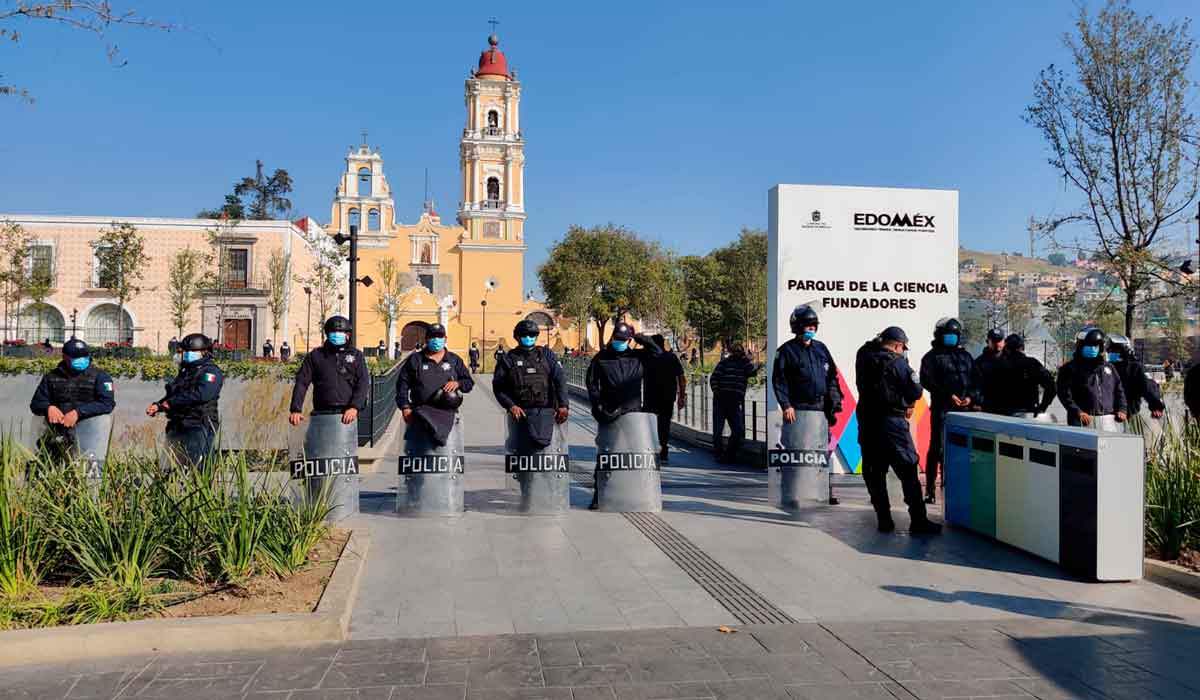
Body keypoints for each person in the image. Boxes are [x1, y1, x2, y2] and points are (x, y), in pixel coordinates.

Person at [855, 327, 940, 535]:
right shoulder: (898, 363)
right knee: (908, 469)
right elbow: (916, 390)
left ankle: (884, 519)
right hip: (892, 423)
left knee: (874, 472)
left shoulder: (863, 356)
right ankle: (918, 521)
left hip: (867, 421)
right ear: (897, 345)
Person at [771, 304, 842, 504]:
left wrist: (834, 401)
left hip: (820, 410)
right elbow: (779, 380)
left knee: (821, 451)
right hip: (798, 410)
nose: (811, 330)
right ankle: (791, 492)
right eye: (807, 326)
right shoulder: (786, 351)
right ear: (797, 327)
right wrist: (786, 405)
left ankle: (823, 491)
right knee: (796, 452)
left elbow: (832, 376)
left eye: (813, 326)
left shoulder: (821, 349)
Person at [585, 322, 661, 508]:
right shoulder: (601, 358)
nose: (620, 342)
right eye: (617, 339)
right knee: (607, 454)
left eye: (623, 339)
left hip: (633, 413)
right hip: (610, 412)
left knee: (637, 454)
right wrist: (598, 406)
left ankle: (639, 493)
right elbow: (592, 383)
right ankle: (599, 495)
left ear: (628, 340)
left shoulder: (638, 356)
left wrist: (639, 337)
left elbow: (658, 352)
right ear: (613, 338)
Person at [918, 317, 981, 504]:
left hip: (965, 410)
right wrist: (947, 395)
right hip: (942, 408)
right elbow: (927, 381)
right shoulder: (931, 357)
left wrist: (971, 397)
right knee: (937, 448)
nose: (951, 338)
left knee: (963, 450)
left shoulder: (965, 357)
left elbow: (977, 380)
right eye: (948, 335)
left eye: (954, 335)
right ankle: (930, 489)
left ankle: (957, 487)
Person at [29, 338, 116, 465]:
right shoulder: (51, 377)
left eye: (84, 356)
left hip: (89, 437)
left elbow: (107, 404)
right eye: (76, 357)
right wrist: (48, 408)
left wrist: (78, 413)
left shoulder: (101, 377)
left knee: (90, 473)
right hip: (57, 435)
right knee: (46, 469)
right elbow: (36, 403)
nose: (81, 360)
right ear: (65, 357)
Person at [147, 333, 223, 468]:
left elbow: (202, 394)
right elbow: (175, 394)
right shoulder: (186, 371)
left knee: (197, 466)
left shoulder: (210, 372)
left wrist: (171, 403)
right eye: (184, 351)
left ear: (203, 352)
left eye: (190, 351)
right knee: (170, 466)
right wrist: (159, 405)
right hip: (179, 423)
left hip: (199, 423)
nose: (186, 354)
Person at [493, 319, 569, 446]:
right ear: (517, 337)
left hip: (546, 414)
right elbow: (498, 387)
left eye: (532, 335)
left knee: (549, 451)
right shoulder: (508, 359)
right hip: (520, 416)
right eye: (524, 335)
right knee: (520, 450)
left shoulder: (546, 355)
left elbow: (560, 380)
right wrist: (511, 406)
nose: (528, 337)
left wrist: (563, 405)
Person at [396, 323, 474, 444]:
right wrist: (405, 407)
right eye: (433, 336)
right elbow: (402, 385)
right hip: (420, 415)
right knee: (419, 452)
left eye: (440, 336)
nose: (436, 339)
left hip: (447, 415)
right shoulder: (415, 359)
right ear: (427, 339)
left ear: (445, 339)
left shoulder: (454, 360)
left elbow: (469, 382)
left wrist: (458, 383)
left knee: (445, 452)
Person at [289, 316, 370, 428]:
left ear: (348, 334)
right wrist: (296, 409)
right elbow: (302, 382)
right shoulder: (316, 355)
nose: (337, 334)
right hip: (322, 413)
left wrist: (354, 407)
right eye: (333, 332)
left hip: (348, 413)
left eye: (341, 332)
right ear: (327, 334)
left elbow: (363, 383)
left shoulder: (356, 355)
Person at [1056, 327, 1127, 428]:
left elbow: (1119, 390)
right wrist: (1078, 412)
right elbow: (1063, 393)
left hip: (1108, 420)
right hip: (1082, 420)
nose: (1093, 348)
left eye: (1095, 345)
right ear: (1080, 346)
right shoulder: (1069, 369)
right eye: (1089, 345)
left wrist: (1122, 409)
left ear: (1100, 347)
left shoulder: (1109, 368)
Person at [709, 344, 759, 463]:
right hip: (721, 400)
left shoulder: (744, 364)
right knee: (718, 430)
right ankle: (718, 453)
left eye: (739, 351)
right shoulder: (724, 363)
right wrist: (717, 392)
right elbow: (714, 378)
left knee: (738, 430)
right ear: (732, 352)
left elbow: (753, 372)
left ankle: (728, 455)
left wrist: (749, 359)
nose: (737, 353)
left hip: (735, 402)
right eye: (735, 351)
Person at [643, 333, 686, 463]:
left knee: (649, 424)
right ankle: (663, 451)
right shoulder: (671, 357)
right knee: (664, 424)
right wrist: (681, 396)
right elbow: (681, 378)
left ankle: (650, 450)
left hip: (650, 397)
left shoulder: (648, 358)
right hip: (668, 397)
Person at [991, 334, 1055, 417]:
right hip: (1028, 413)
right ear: (1022, 348)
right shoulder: (1032, 363)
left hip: (1002, 414)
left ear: (1006, 348)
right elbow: (1051, 386)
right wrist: (1043, 406)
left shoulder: (998, 364)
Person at [1107, 334, 1165, 420]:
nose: (1110, 352)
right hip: (1106, 415)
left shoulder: (1135, 368)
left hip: (1128, 414)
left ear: (1123, 351)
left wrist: (1156, 406)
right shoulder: (1107, 367)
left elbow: (1148, 386)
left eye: (1114, 350)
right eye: (1109, 350)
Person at [976, 329, 1005, 413]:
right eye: (994, 341)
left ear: (1004, 342)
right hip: (987, 409)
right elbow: (975, 386)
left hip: (1009, 409)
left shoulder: (1011, 360)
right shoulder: (979, 362)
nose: (997, 343)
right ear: (987, 342)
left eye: (999, 340)